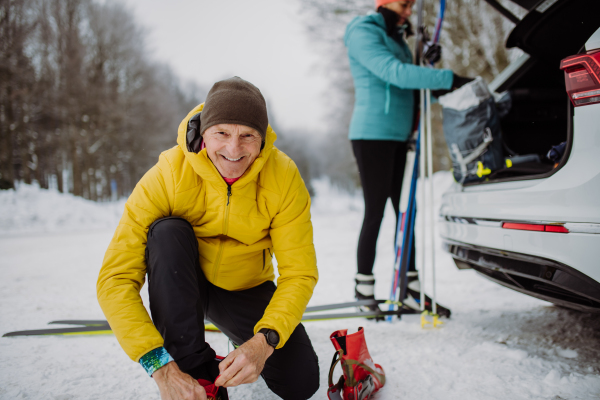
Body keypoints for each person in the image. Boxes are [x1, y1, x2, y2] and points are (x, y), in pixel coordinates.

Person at [97, 77, 320, 400]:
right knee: (167, 231)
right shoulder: (168, 174)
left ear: (263, 141)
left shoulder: (283, 177)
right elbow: (114, 279)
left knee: (300, 383)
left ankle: (235, 333)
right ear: (203, 133)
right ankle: (196, 368)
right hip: (181, 282)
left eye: (247, 136)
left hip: (244, 287)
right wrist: (161, 366)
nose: (233, 148)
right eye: (222, 133)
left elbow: (299, 273)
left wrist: (264, 340)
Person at [344, 0, 471, 311]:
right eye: (403, 4)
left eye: (411, 6)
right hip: (372, 134)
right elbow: (394, 74)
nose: (408, 11)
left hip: (403, 136)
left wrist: (428, 68)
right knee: (375, 211)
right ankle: (364, 289)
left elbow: (410, 82)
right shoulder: (362, 32)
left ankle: (410, 286)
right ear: (383, 2)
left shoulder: (399, 38)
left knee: (406, 212)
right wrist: (446, 78)